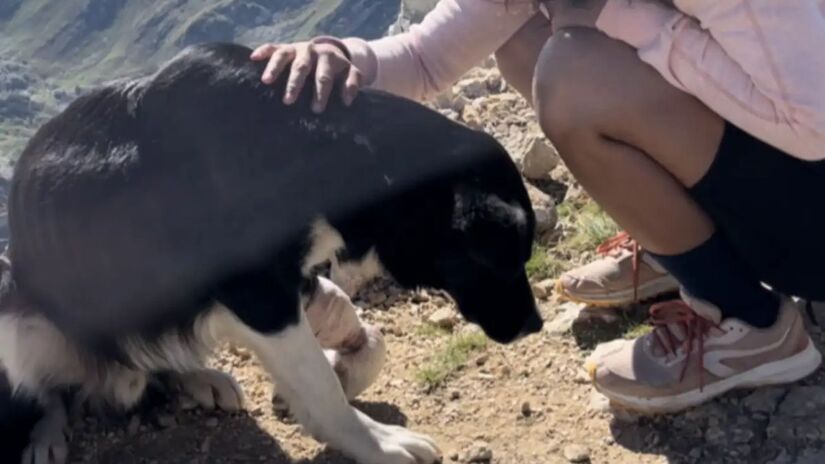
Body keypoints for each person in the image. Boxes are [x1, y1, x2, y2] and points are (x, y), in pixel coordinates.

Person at [250, 0, 825, 413]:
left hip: (811, 219)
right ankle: (687, 244)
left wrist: (613, 17)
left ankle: (752, 323)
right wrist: (336, 58)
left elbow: (813, 124)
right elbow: (428, 60)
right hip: (766, 168)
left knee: (574, 70)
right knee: (527, 39)